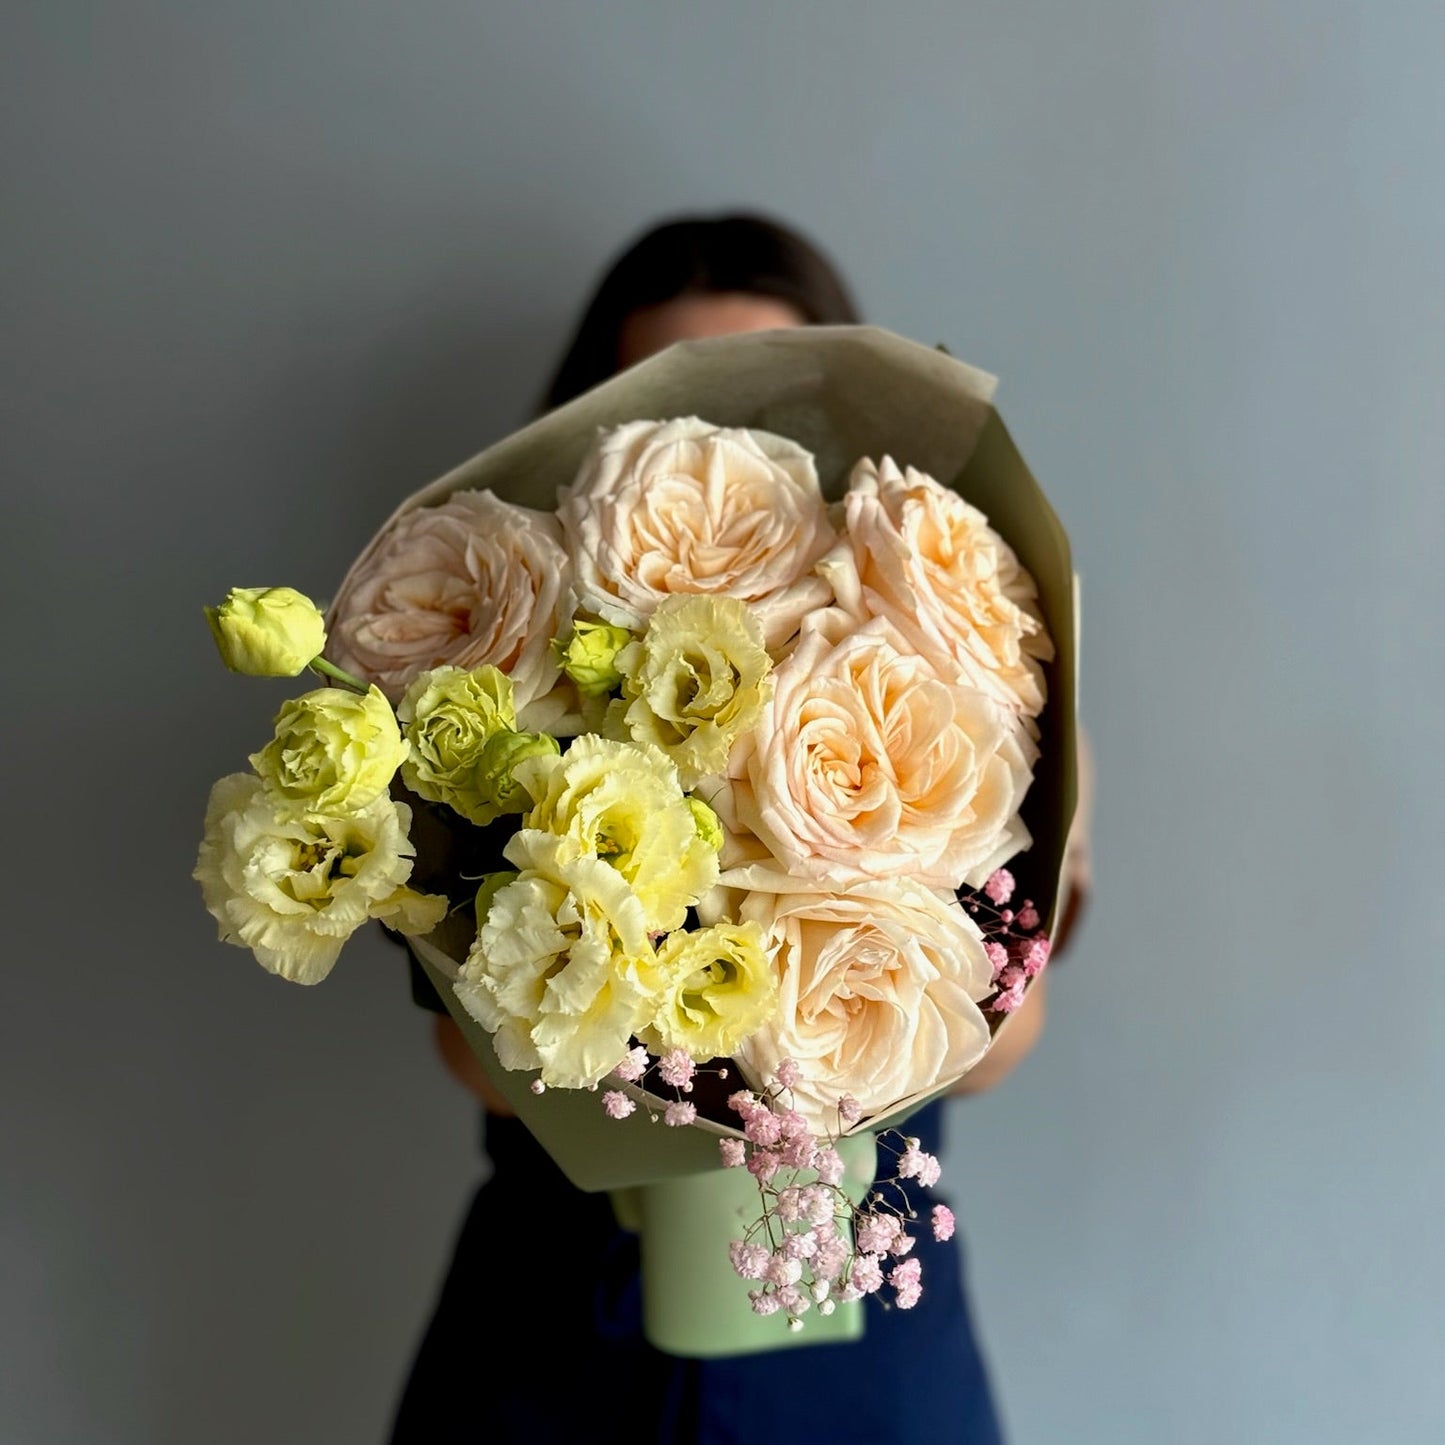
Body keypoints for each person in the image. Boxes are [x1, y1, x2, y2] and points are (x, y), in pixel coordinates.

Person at [386, 212, 1090, 1445]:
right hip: (557, 1319)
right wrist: (621, 972)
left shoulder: (961, 679)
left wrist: (825, 967)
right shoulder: (493, 686)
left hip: (858, 1313)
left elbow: (1001, 1042)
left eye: (756, 398)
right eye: (664, 397)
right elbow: (469, 1064)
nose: (709, 439)